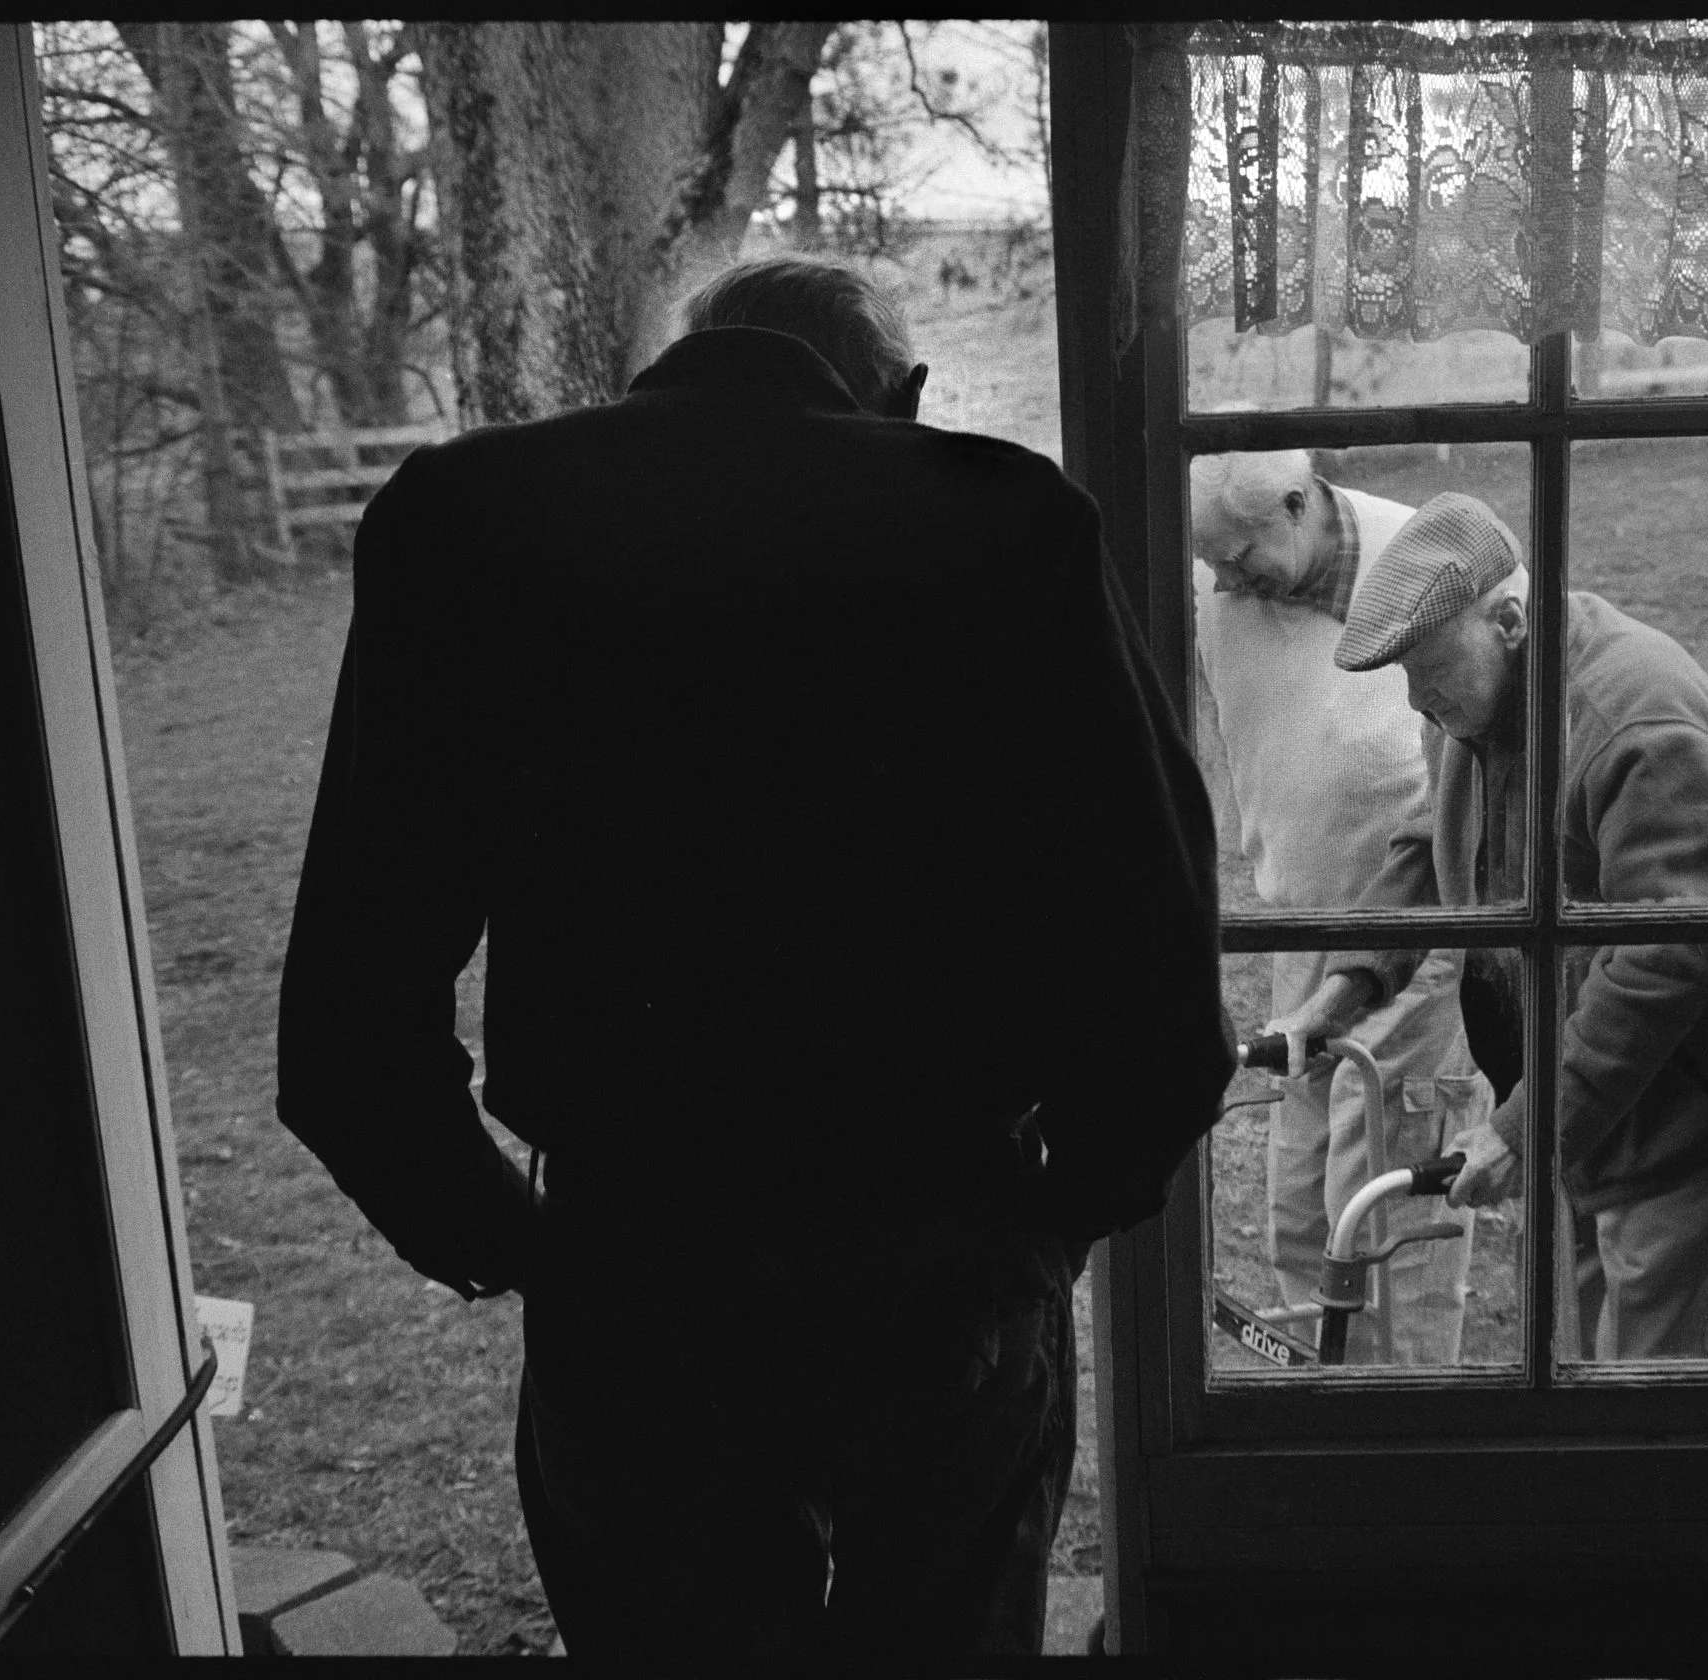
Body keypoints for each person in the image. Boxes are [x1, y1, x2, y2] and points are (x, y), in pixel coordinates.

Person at [275, 255, 1233, 1661]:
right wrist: (1050, 1229)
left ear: (674, 366)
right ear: (902, 392)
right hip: (938, 1245)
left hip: (637, 1247)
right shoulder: (1006, 524)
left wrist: (514, 1245)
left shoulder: (472, 519)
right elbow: (1154, 951)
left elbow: (349, 1015)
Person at [1269, 493, 1708, 1361]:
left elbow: (1665, 956)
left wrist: (1524, 1127)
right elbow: (1433, 840)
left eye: (1427, 670)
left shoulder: (1636, 722)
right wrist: (1349, 983)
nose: (1416, 701)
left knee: (1667, 1393)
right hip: (1587, 1107)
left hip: (1691, 1113)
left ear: (1509, 622)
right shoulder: (1475, 702)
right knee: (1583, 1372)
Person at [1191, 451, 1493, 1365]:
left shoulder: (1420, 562)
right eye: (1209, 560)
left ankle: (1399, 1412)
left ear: (1298, 503)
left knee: (1384, 1213)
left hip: (1417, 937)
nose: (1222, 579)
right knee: (1299, 1206)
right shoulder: (1217, 594)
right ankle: (1318, 1399)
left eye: (1238, 556)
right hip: (1301, 942)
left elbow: (1477, 753)